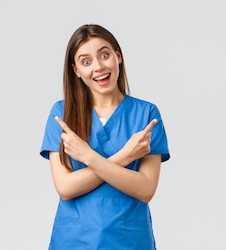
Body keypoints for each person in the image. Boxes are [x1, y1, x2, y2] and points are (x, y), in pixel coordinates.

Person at [39, 24, 171, 249]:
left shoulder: (146, 114)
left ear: (118, 56)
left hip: (129, 240)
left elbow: (146, 189)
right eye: (86, 61)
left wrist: (88, 156)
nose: (98, 67)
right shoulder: (62, 114)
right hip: (74, 241)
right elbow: (65, 187)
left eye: (104, 55)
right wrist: (124, 157)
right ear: (76, 70)